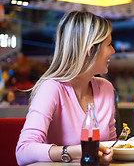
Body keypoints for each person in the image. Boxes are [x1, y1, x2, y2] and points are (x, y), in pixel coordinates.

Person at [16, 11, 117, 165]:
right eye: (109, 44)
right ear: (91, 51)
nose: (113, 51)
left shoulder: (106, 88)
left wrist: (128, 146)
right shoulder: (51, 88)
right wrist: (76, 151)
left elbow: (110, 145)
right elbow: (23, 151)